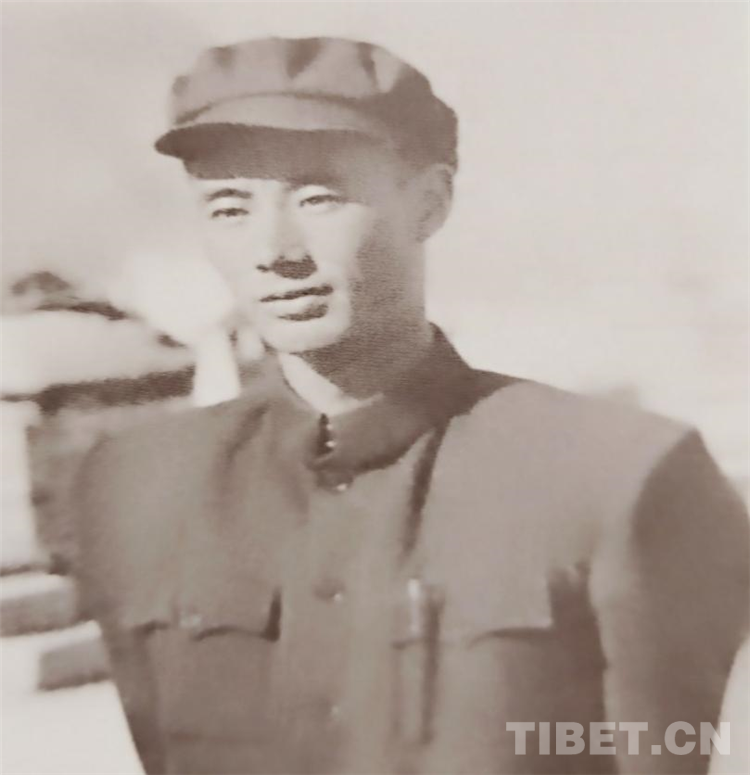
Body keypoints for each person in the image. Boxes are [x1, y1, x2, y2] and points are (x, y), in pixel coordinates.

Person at [74, 37, 749, 775]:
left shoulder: (619, 479)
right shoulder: (135, 488)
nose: (274, 250)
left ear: (429, 203)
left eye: (319, 197)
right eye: (228, 206)